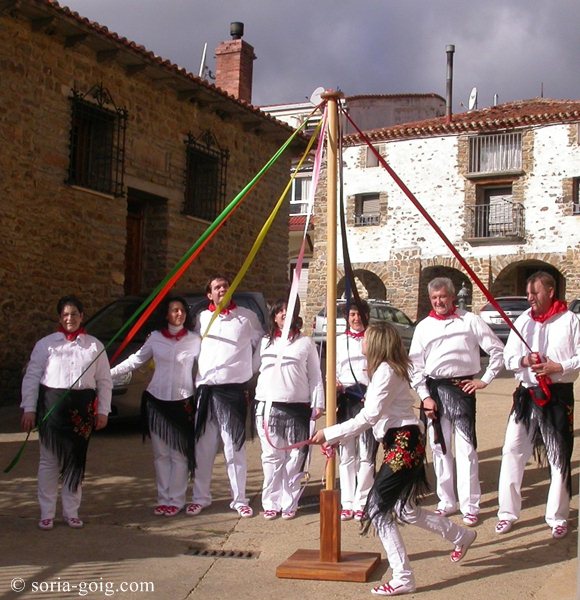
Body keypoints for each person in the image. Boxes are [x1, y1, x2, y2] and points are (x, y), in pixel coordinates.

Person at [311, 322, 476, 596]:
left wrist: (329, 434)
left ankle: (403, 577)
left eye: (367, 338)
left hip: (404, 443)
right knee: (404, 509)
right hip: (401, 442)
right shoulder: (383, 371)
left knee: (377, 508)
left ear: (376, 344)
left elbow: (369, 416)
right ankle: (461, 536)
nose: (362, 341)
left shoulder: (386, 371)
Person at [409, 277, 503, 526]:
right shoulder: (424, 327)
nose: (439, 302)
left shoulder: (470, 321)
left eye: (442, 296)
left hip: (462, 390)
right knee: (440, 448)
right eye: (434, 298)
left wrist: (484, 380)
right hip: (434, 391)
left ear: (452, 297)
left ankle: (470, 505)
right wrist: (425, 396)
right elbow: (415, 366)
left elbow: (497, 350)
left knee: (466, 450)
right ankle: (446, 501)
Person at [496, 271, 580, 539]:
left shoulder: (570, 320)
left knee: (559, 456)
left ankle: (557, 516)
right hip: (526, 394)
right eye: (529, 292)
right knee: (512, 450)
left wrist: (559, 366)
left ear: (551, 291)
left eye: (535, 292)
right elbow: (509, 357)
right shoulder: (524, 321)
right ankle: (507, 512)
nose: (530, 297)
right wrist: (524, 362)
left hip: (557, 395)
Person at [20, 295, 112, 530]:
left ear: (82, 316)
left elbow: (104, 381)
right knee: (49, 462)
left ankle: (71, 512)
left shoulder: (94, 346)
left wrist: (103, 411)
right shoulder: (46, 344)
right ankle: (46, 513)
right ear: (60, 317)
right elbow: (32, 377)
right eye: (65, 314)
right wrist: (29, 408)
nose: (69, 318)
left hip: (81, 413)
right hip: (52, 410)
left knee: (75, 462)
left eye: (74, 314)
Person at [110, 296, 201, 517]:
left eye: (181, 310)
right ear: (166, 314)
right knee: (161, 454)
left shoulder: (195, 339)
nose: (178, 314)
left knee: (179, 454)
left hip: (182, 402)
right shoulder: (155, 338)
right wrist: (107, 373)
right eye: (174, 310)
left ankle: (177, 500)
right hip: (157, 401)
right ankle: (163, 498)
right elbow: (136, 360)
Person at [188, 275, 263, 518]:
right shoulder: (201, 318)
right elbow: (190, 346)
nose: (222, 289)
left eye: (225, 286)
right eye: (217, 287)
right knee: (204, 447)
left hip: (233, 392)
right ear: (209, 295)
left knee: (234, 447)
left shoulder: (247, 317)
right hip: (206, 391)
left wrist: (249, 368)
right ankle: (200, 497)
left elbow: (261, 344)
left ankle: (239, 498)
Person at [254, 299, 324, 520]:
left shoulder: (306, 343)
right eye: (280, 310)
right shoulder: (265, 342)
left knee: (295, 457)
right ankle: (271, 502)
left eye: (289, 310)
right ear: (274, 316)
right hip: (268, 407)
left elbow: (315, 375)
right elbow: (253, 369)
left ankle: (290, 500)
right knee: (272, 457)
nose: (284, 313)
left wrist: (318, 402)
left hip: (298, 407)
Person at [335, 300, 377, 521]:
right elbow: (331, 369)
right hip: (346, 399)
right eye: (352, 314)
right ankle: (347, 502)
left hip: (369, 399)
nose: (356, 318)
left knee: (367, 452)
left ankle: (363, 500)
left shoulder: (374, 339)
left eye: (360, 314)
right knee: (346, 453)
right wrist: (334, 383)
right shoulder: (339, 341)